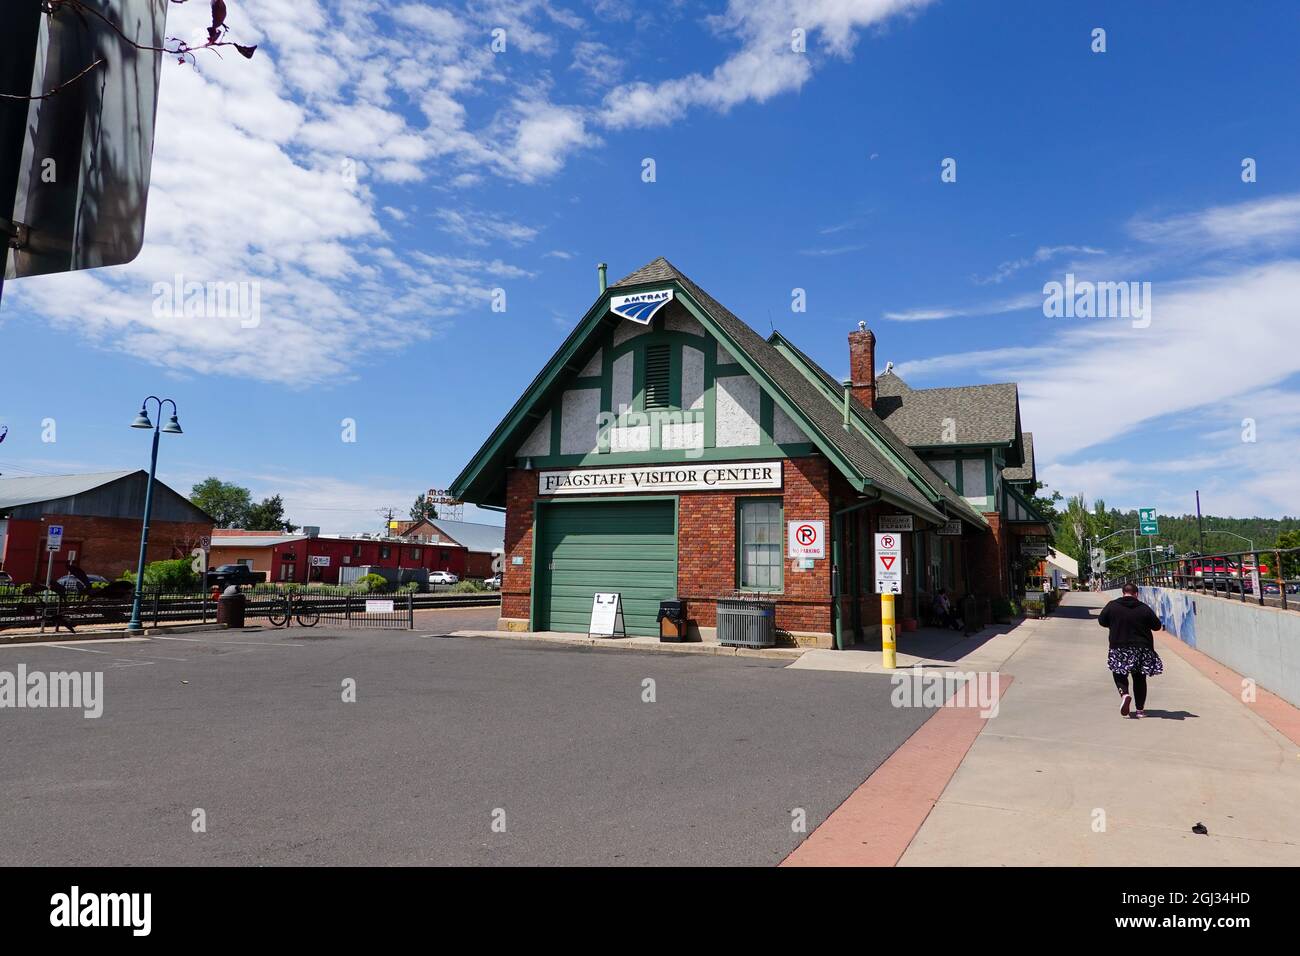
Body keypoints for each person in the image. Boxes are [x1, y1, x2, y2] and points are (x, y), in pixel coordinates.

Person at [1098, 583, 1164, 718]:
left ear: (1123, 593)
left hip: (1119, 646)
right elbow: (1157, 626)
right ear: (1136, 593)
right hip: (1141, 648)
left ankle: (1124, 694)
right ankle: (1140, 710)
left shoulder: (1112, 605)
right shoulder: (1143, 608)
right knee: (1140, 678)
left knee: (1119, 672)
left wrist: (1114, 623)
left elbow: (1102, 621)